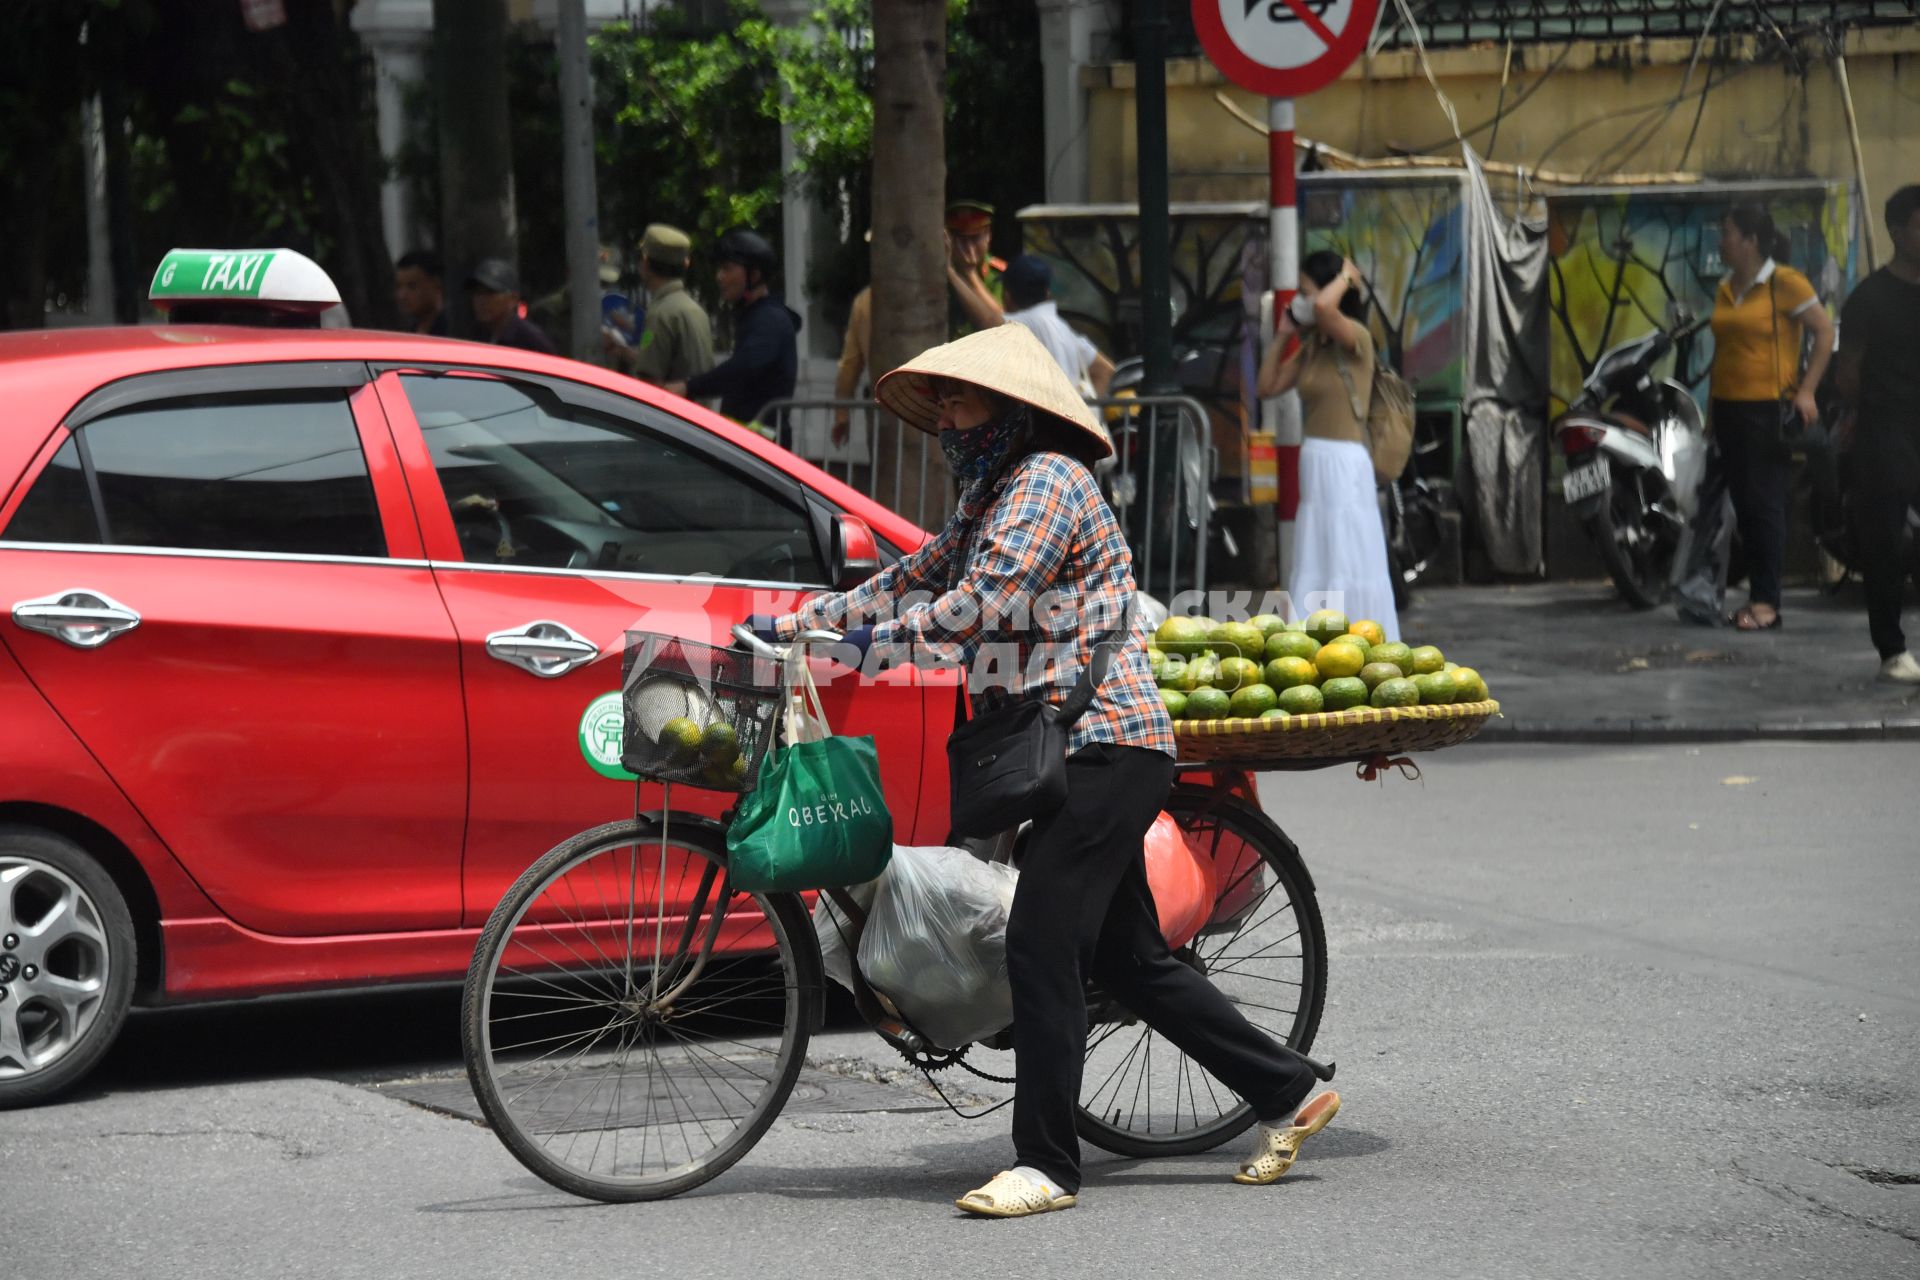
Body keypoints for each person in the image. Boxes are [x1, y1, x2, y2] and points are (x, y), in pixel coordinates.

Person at [752, 322, 1340, 1218]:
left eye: (959, 397)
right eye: (941, 400)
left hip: (1106, 744)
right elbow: (920, 573)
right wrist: (811, 619)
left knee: (1040, 938)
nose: (946, 414)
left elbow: (977, 605)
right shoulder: (991, 493)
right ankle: (1290, 1091)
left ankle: (1047, 1166)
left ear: (1012, 409)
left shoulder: (1046, 482)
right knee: (1134, 961)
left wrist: (862, 643)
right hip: (1072, 750)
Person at [1256, 250, 1400, 640]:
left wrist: (1348, 275)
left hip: (1346, 465)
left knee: (1349, 557)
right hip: (1316, 464)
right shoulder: (1313, 348)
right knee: (1319, 556)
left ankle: (1363, 640)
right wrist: (1285, 331)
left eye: (1304, 290)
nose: (1301, 299)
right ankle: (1318, 640)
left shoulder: (1357, 339)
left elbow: (1322, 306)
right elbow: (1266, 386)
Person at [1706, 202, 1835, 631]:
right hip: (1727, 409)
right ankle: (1747, 593)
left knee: (1764, 506)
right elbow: (1724, 355)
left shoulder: (1784, 283)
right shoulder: (1727, 287)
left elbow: (1824, 330)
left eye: (1727, 233)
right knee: (1743, 506)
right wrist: (1711, 411)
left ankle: (1767, 603)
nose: (1721, 241)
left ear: (1750, 241)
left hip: (1765, 410)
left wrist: (1808, 390)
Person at [1837, 184, 1920, 682]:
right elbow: (1849, 374)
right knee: (1885, 541)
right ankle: (1892, 650)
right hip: (1885, 429)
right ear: (1897, 232)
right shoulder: (1868, 298)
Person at [668, 230, 798, 429]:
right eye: (719, 269)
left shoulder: (770, 321)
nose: (719, 277)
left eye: (727, 269)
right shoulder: (754, 316)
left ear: (754, 275)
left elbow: (742, 369)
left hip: (761, 447)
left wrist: (689, 386)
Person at [614, 224, 714, 386]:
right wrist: (629, 354)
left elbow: (651, 381)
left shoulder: (661, 314)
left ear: (645, 263)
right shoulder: (694, 309)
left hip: (669, 410)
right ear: (685, 264)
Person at [1001, 254, 1113, 396]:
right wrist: (1084, 414)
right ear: (1047, 293)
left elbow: (987, 318)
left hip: (1039, 417)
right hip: (1068, 416)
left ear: (1007, 295)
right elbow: (1106, 370)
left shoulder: (1013, 324)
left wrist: (967, 277)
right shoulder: (1063, 329)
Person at [464, 258, 557, 355]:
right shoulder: (479, 334)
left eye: (490, 293)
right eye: (477, 293)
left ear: (513, 299)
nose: (481, 300)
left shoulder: (531, 340)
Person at [946, 199, 1006, 338]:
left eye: (974, 239)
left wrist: (970, 273)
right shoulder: (940, 272)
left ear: (988, 236)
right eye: (961, 240)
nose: (968, 248)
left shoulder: (999, 274)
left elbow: (1004, 324)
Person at [394, 249, 448, 336]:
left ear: (436, 284)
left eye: (412, 286)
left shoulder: (452, 330)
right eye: (399, 287)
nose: (402, 296)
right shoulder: (408, 332)